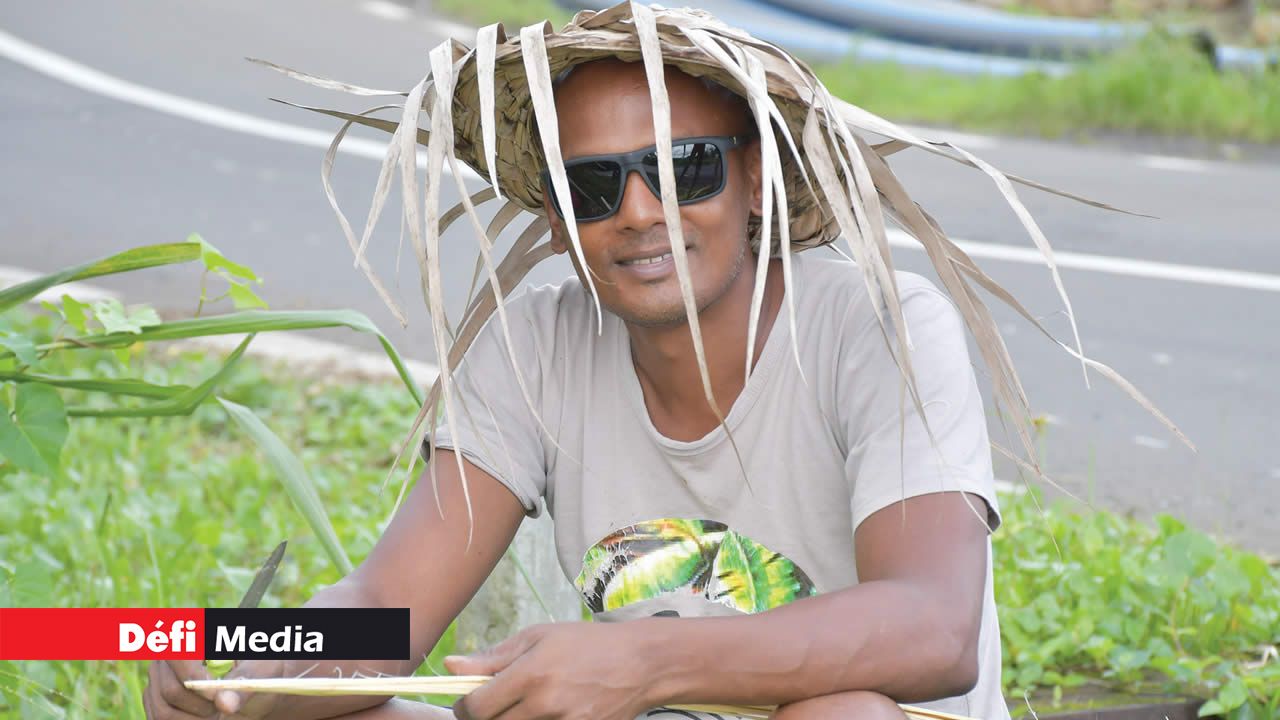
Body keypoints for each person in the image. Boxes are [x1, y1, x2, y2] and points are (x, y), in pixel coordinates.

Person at [143, 4, 1181, 720]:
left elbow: (930, 624)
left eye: (680, 169)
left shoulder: (876, 323)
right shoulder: (535, 343)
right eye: (594, 188)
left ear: (757, 183)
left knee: (841, 711)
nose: (639, 212)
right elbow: (384, 608)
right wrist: (244, 665)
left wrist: (638, 660)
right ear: (555, 221)